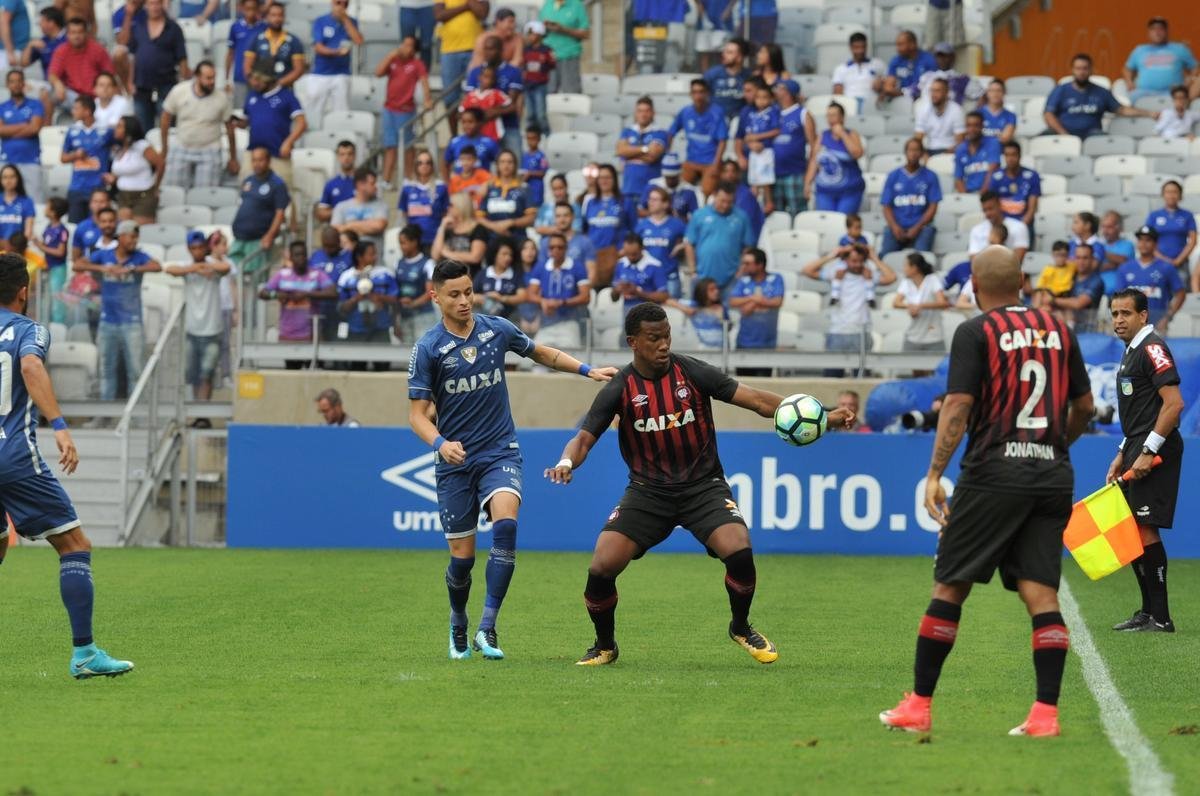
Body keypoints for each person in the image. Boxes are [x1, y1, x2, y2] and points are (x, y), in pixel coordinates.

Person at [546, 301, 855, 666]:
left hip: (703, 487)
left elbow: (756, 400)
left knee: (739, 548)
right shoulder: (620, 387)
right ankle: (605, 645)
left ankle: (740, 626)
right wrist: (566, 462)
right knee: (601, 567)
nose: (663, 345)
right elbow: (584, 438)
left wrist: (825, 416)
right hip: (648, 493)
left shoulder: (691, 372)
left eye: (667, 336)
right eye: (653, 338)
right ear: (633, 342)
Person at [880, 244, 1093, 737]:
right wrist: (1057, 442)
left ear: (975, 288)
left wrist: (936, 473)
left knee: (950, 585)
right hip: (1051, 474)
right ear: (1021, 282)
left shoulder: (975, 331)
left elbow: (957, 404)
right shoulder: (1062, 330)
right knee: (1041, 593)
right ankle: (1045, 715)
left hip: (994, 473)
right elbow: (1083, 405)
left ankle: (919, 704)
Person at [408, 258, 613, 660]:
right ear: (435, 297)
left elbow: (542, 353)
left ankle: (488, 627)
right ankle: (458, 620)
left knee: (505, 527)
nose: (465, 300)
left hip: (500, 450)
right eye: (455, 294)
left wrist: (587, 371)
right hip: (455, 462)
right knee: (462, 562)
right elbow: (417, 415)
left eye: (469, 291)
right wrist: (440, 444)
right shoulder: (428, 349)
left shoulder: (495, 330)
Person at [0, 253, 135, 679]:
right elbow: (30, 364)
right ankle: (85, 654)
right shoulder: (29, 329)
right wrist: (59, 426)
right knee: (74, 545)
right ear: (24, 291)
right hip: (12, 455)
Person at [1105, 288, 1186, 633]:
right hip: (1137, 446)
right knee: (1134, 529)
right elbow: (1141, 412)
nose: (1118, 320)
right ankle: (1147, 612)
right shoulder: (1130, 351)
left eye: (1125, 313)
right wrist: (1124, 452)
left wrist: (1149, 451)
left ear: (1143, 316)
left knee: (1145, 527)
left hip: (1157, 450)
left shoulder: (1152, 347)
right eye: (1114, 313)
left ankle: (1162, 617)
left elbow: (1174, 405)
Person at [76, 220, 161, 400]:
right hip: (108, 321)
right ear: (121, 237)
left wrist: (132, 269)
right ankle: (105, 415)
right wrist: (102, 268)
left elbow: (157, 266)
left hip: (132, 322)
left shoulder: (138, 257)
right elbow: (78, 265)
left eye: (136, 237)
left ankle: (136, 417)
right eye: (131, 236)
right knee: (106, 370)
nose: (134, 241)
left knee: (136, 370)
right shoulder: (104, 255)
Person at [164, 230, 230, 398]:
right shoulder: (187, 266)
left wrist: (205, 266)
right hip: (191, 330)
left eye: (201, 247)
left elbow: (226, 267)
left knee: (206, 373)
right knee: (192, 375)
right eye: (194, 248)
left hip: (212, 330)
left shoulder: (213, 265)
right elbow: (169, 269)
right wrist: (194, 269)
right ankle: (195, 411)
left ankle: (203, 412)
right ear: (189, 249)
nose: (198, 251)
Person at [803, 243, 896, 359]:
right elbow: (807, 270)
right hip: (838, 332)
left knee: (861, 374)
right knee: (832, 375)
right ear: (846, 260)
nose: (857, 265)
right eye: (854, 261)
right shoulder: (835, 273)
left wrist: (874, 258)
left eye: (861, 261)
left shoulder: (869, 275)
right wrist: (832, 255)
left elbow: (891, 277)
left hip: (861, 333)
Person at [160, 60, 235, 190]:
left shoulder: (221, 98)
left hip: (209, 150)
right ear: (197, 76)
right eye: (208, 78)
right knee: (174, 191)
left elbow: (230, 129)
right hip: (182, 147)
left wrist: (232, 158)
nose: (212, 82)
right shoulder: (179, 91)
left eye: (214, 78)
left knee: (204, 195)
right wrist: (164, 149)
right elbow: (165, 119)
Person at [259, 239, 335, 367]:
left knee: (315, 373)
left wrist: (307, 294)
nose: (301, 258)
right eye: (297, 255)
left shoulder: (316, 274)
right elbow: (263, 293)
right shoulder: (283, 275)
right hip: (289, 334)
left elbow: (333, 293)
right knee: (292, 371)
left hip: (311, 336)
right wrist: (277, 294)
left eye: (303, 254)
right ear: (291, 257)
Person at [1044, 53, 1153, 139]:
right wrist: (1064, 135)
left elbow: (1121, 110)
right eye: (1078, 68)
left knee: (1105, 141)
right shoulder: (1061, 90)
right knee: (1044, 137)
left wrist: (1149, 113)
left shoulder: (1101, 92)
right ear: (1072, 70)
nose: (1081, 72)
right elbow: (1049, 114)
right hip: (1064, 134)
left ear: (1091, 70)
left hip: (1092, 135)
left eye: (1085, 68)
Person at [119, 0, 189, 133]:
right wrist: (130, 81)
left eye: (158, 3)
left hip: (166, 85)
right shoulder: (138, 26)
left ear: (163, 4)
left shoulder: (174, 28)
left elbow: (182, 59)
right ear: (146, 6)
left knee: (168, 128)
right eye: (151, 4)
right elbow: (131, 54)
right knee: (142, 129)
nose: (155, 7)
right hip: (141, 86)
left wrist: (183, 85)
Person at [235, 66, 306, 183]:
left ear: (269, 80)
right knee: (246, 189)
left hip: (278, 153)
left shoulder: (286, 96)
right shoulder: (252, 95)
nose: (253, 83)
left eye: (258, 80)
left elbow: (302, 123)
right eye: (252, 79)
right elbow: (248, 121)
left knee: (283, 192)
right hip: (254, 153)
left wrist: (288, 142)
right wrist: (238, 123)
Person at [377, 34, 432, 187]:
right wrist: (389, 56)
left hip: (407, 110)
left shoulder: (417, 64)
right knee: (390, 146)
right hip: (389, 109)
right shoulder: (393, 61)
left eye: (409, 45)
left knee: (408, 147)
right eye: (403, 44)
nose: (404, 47)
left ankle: (408, 178)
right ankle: (386, 179)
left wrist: (427, 99)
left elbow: (424, 81)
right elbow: (378, 72)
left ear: (414, 50)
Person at [335, 240, 396, 369]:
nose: (375, 257)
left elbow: (395, 300)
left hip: (381, 329)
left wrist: (378, 298)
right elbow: (341, 308)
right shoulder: (346, 277)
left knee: (383, 368)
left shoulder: (385, 273)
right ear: (359, 256)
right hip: (356, 331)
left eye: (375, 253)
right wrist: (356, 299)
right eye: (371, 254)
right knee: (357, 368)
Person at [684, 182, 754, 293]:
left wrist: (740, 270)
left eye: (729, 202)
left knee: (729, 310)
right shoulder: (699, 215)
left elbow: (748, 246)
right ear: (714, 196)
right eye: (722, 201)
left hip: (731, 279)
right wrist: (693, 271)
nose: (725, 205)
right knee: (700, 310)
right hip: (702, 278)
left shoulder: (742, 217)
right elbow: (689, 244)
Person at [527, 231, 590, 348]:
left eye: (560, 247)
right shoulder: (541, 266)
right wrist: (543, 301)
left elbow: (586, 297)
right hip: (546, 324)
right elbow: (530, 294)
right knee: (536, 362)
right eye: (552, 247)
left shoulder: (577, 267)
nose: (555, 250)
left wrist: (561, 303)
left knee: (570, 361)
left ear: (566, 248)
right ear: (548, 249)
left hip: (570, 323)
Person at [230, 147, 288, 271]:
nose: (257, 164)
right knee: (235, 276)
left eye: (260, 160)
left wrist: (269, 236)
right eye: (254, 160)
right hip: (239, 238)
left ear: (268, 161)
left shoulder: (277, 184)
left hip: (257, 240)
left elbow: (280, 213)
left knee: (254, 279)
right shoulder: (248, 180)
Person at [879, 138, 941, 255]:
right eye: (910, 150)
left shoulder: (931, 176)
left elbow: (933, 207)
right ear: (905, 152)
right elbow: (886, 206)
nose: (913, 153)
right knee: (885, 255)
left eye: (917, 150)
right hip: (897, 227)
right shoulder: (893, 176)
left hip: (922, 227)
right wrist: (894, 226)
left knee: (921, 258)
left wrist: (917, 227)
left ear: (922, 153)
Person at [1118, 226, 1185, 331]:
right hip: (1130, 325)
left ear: (1156, 244)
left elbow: (1180, 294)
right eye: (1140, 240)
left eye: (1148, 240)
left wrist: (1167, 317)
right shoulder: (1125, 268)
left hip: (1157, 325)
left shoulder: (1166, 267)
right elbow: (1119, 298)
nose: (1143, 244)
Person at [464, 34, 523, 155]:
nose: (487, 52)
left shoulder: (513, 72)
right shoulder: (475, 73)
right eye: (485, 49)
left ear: (501, 50)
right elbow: (469, 100)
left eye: (491, 49)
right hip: (481, 130)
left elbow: (511, 104)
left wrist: (491, 112)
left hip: (509, 126)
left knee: (514, 163)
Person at [668, 79, 728, 197]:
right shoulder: (686, 112)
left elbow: (722, 141)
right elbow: (671, 132)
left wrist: (716, 164)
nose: (698, 96)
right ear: (690, 94)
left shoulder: (717, 112)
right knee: (679, 191)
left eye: (701, 92)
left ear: (707, 94)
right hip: (691, 160)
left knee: (706, 193)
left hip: (710, 162)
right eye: (694, 92)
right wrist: (668, 154)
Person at [434, 0, 487, 132]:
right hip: (449, 50)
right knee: (450, 97)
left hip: (475, 50)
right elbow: (439, 15)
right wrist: (467, 6)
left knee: (477, 94)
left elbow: (482, 13)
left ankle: (476, 133)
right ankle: (454, 135)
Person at [804, 100, 864, 214]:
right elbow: (814, 161)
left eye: (833, 115)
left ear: (842, 117)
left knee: (842, 221)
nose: (830, 119)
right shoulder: (822, 135)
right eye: (828, 115)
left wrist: (842, 134)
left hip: (849, 191)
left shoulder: (851, 134)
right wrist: (807, 183)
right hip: (825, 191)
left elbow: (857, 153)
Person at [61, 95, 114, 223]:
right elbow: (63, 158)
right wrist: (75, 155)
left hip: (98, 187)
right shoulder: (72, 131)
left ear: (87, 111)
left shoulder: (106, 130)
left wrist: (112, 174)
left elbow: (117, 152)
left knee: (98, 224)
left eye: (76, 108)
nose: (73, 111)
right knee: (74, 226)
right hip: (77, 187)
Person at [306, 0, 362, 118]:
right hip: (320, 73)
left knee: (341, 112)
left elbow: (358, 41)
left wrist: (346, 20)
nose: (341, 7)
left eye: (345, 4)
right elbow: (318, 47)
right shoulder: (320, 21)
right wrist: (336, 52)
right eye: (338, 3)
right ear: (332, 3)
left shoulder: (352, 22)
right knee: (313, 111)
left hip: (341, 73)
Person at [105, 115, 163, 225]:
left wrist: (156, 186)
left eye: (119, 126)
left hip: (143, 196)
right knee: (125, 230)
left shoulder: (142, 146)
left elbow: (160, 164)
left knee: (140, 231)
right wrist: (112, 179)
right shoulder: (119, 148)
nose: (115, 129)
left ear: (129, 129)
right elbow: (120, 171)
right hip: (123, 195)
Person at [582, 164, 633, 289]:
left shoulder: (625, 202)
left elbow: (633, 229)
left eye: (608, 177)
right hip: (594, 258)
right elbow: (584, 230)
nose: (604, 181)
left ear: (615, 179)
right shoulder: (590, 202)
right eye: (601, 177)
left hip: (617, 256)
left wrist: (624, 250)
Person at [728, 246, 784, 359]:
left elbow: (777, 302)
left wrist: (750, 304)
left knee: (764, 376)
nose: (744, 267)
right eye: (743, 263)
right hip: (744, 341)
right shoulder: (743, 281)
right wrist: (754, 298)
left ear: (760, 265)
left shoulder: (776, 279)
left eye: (748, 263)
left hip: (767, 343)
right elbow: (732, 301)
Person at [1123, 17, 1197, 103]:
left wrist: (1190, 80)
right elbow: (1127, 69)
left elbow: (1195, 67)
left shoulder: (1180, 49)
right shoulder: (1139, 50)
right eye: (1153, 29)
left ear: (1166, 32)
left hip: (1172, 94)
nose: (1157, 32)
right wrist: (1129, 82)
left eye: (1160, 29)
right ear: (1148, 33)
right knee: (1130, 99)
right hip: (1143, 93)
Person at [771, 79, 815, 218]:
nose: (776, 90)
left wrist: (808, 177)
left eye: (780, 87)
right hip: (772, 173)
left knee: (798, 213)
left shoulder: (803, 113)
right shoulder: (772, 112)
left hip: (795, 173)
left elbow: (813, 145)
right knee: (776, 215)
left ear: (788, 92)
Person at [48, 17, 114, 107]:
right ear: (67, 34)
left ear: (86, 33)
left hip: (96, 97)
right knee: (48, 92)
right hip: (74, 97)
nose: (76, 36)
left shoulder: (98, 50)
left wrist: (101, 91)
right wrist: (58, 84)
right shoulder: (61, 51)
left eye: (80, 32)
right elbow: (52, 75)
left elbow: (109, 75)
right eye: (73, 33)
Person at [0, 71, 45, 203]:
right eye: (12, 81)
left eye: (19, 81)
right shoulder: (2, 107)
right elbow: (0, 130)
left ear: (23, 83)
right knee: (6, 201)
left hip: (31, 160)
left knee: (35, 201)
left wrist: (10, 132)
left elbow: (35, 128)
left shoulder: (35, 104)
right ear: (7, 85)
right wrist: (25, 125)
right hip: (8, 159)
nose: (16, 84)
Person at [636, 187, 686, 299]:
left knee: (671, 313)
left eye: (655, 200)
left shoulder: (676, 224)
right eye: (650, 199)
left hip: (669, 276)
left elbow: (692, 238)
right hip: (647, 277)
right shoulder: (641, 225)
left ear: (665, 204)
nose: (650, 202)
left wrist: (681, 246)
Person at [893, 252, 949, 352]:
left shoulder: (932, 279)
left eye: (906, 265)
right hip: (912, 336)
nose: (904, 268)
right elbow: (896, 303)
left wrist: (920, 306)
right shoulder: (906, 282)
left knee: (933, 367)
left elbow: (943, 303)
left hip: (934, 336)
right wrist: (911, 307)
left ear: (914, 267)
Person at [617, 96, 668, 205]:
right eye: (640, 111)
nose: (643, 114)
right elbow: (621, 151)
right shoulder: (627, 131)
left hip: (650, 191)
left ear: (653, 113)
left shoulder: (660, 132)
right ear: (635, 113)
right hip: (628, 189)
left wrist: (630, 154)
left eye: (647, 111)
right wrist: (645, 148)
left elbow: (653, 155)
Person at [242, 1, 305, 90]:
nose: (277, 19)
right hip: (260, 90)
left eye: (280, 15)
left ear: (284, 17)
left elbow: (299, 69)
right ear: (267, 17)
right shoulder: (256, 39)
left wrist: (278, 84)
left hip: (284, 90)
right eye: (273, 15)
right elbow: (247, 66)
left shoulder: (294, 41)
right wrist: (254, 82)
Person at [1046, 242, 1104, 333]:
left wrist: (1053, 300)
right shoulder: (1069, 276)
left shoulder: (1096, 281)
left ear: (1092, 259)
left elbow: (1078, 303)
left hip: (1087, 331)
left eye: (1085, 258)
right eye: (1078, 257)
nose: (1081, 261)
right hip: (1064, 327)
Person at [478, 150, 535, 243]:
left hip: (517, 240)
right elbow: (479, 217)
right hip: (491, 241)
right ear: (497, 165)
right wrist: (495, 227)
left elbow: (531, 218)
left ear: (515, 165)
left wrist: (511, 222)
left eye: (510, 162)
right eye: (502, 162)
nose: (506, 165)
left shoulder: (524, 188)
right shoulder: (489, 188)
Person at [397, 150, 449, 251]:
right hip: (414, 240)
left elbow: (445, 212)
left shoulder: (441, 187)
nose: (424, 166)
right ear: (415, 166)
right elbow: (405, 213)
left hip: (434, 238)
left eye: (427, 162)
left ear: (432, 166)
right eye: (420, 163)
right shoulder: (408, 188)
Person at [1145, 180, 1196, 280]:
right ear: (1163, 195)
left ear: (1180, 195)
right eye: (1168, 192)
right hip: (1157, 262)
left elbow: (1192, 240)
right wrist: (1163, 259)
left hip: (1180, 263)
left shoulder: (1187, 215)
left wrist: (1178, 260)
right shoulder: (1154, 216)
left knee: (1181, 291)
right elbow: (1147, 240)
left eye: (1175, 192)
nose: (1171, 195)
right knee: (1157, 291)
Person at [394, 225, 436, 342]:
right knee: (407, 355)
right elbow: (396, 293)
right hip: (405, 317)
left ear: (414, 242)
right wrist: (396, 321)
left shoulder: (427, 263)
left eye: (403, 243)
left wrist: (413, 303)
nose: (401, 247)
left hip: (423, 316)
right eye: (400, 243)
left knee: (423, 354)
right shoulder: (398, 264)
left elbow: (430, 292)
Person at [330, 166, 388, 250]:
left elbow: (379, 226)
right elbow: (335, 231)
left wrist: (349, 225)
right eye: (372, 183)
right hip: (347, 260)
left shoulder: (381, 205)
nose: (376, 187)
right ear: (360, 185)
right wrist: (367, 226)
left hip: (374, 260)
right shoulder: (341, 206)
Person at [989, 141, 1039, 233]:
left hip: (1024, 224)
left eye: (1013, 155)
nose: (1010, 159)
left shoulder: (1032, 176)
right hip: (1002, 226)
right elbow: (993, 205)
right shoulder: (996, 177)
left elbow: (1032, 209)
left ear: (1020, 156)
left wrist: (1019, 227)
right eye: (1007, 155)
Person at [471, 236, 525, 321]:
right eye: (504, 254)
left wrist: (501, 298)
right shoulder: (483, 273)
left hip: (510, 320)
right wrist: (483, 298)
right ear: (494, 254)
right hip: (485, 320)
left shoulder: (515, 275)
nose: (508, 258)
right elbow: (469, 295)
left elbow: (522, 297)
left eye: (510, 255)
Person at [611, 233, 666, 314]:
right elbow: (614, 298)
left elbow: (663, 296)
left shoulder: (655, 266)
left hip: (649, 314)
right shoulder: (621, 264)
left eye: (634, 254)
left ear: (642, 248)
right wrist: (617, 290)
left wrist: (638, 293)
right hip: (628, 314)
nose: (630, 257)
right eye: (627, 253)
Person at [539, 0, 587, 94]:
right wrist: (545, 27)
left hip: (569, 56)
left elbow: (586, 34)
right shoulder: (547, 4)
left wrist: (563, 29)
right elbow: (539, 30)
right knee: (548, 95)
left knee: (571, 94)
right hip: (549, 58)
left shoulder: (577, 5)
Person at [35, 197, 70, 324]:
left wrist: (41, 246)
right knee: (47, 298)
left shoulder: (62, 231)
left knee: (57, 299)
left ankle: (58, 325)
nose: (44, 209)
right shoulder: (48, 227)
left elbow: (60, 252)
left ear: (53, 212)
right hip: (49, 267)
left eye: (47, 206)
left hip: (58, 269)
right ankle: (45, 324)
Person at [432, 192, 488, 271]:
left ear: (461, 206)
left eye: (451, 205)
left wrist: (446, 252)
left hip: (469, 276)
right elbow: (435, 255)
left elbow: (475, 257)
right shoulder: (447, 228)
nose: (448, 208)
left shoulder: (478, 229)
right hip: (448, 277)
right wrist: (442, 227)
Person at [459, 64, 513, 144]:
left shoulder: (496, 94)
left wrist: (496, 111)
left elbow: (511, 106)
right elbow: (461, 111)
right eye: (486, 76)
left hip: (492, 135)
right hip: (474, 136)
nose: (488, 80)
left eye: (491, 78)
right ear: (479, 77)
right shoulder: (471, 95)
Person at [968, 190, 1029, 261]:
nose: (988, 213)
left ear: (999, 205)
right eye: (984, 210)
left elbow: (1018, 260)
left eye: (990, 208)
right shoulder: (976, 230)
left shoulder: (1019, 227)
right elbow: (974, 260)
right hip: (983, 271)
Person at [225, 0, 265, 109]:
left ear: (258, 10)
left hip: (259, 78)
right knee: (240, 111)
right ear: (242, 8)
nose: (250, 12)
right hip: (240, 77)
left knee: (258, 110)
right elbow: (230, 54)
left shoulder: (264, 28)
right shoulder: (235, 27)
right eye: (248, 9)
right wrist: (227, 79)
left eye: (253, 9)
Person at [832, 32, 884, 113]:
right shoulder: (841, 69)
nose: (860, 51)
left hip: (873, 107)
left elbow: (887, 87)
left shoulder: (878, 64)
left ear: (867, 46)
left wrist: (881, 86)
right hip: (849, 108)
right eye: (856, 47)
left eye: (863, 47)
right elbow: (838, 94)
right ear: (850, 47)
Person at [668, 277, 727, 349]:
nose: (716, 291)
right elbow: (668, 301)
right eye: (712, 289)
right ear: (703, 291)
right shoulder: (693, 305)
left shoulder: (722, 307)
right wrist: (686, 309)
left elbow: (728, 328)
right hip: (701, 348)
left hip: (720, 349)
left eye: (716, 288)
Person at [442, 107, 498, 181]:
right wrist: (448, 184)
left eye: (470, 122)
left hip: (482, 187)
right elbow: (445, 164)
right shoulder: (454, 142)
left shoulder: (489, 143)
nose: (466, 125)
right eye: (463, 122)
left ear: (479, 123)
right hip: (460, 188)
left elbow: (500, 163)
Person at [641, 153, 701, 223]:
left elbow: (695, 218)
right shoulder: (653, 185)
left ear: (679, 174)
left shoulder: (688, 190)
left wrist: (676, 218)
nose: (670, 180)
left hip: (678, 227)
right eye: (667, 177)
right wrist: (660, 213)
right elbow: (640, 211)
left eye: (673, 177)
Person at [914, 78, 964, 155]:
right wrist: (923, 154)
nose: (933, 94)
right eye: (932, 90)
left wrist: (945, 155)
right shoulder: (923, 109)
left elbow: (960, 141)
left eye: (937, 91)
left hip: (950, 151)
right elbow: (918, 138)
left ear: (946, 92)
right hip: (929, 150)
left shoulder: (956, 110)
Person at [953, 112, 1000, 193]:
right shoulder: (960, 149)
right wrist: (967, 198)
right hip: (968, 194)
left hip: (989, 194)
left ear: (982, 126)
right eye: (969, 125)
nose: (972, 129)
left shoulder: (993, 144)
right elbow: (958, 179)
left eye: (976, 125)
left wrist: (981, 197)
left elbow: (992, 171)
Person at [882, 30, 936, 101]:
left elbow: (933, 87)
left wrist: (905, 93)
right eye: (897, 45)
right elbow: (889, 87)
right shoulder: (896, 60)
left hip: (923, 101)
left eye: (900, 44)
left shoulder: (928, 60)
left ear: (912, 44)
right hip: (901, 102)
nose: (897, 49)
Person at [703, 38, 750, 119]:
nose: (724, 55)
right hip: (715, 121)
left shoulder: (749, 77)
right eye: (725, 51)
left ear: (740, 57)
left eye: (729, 52)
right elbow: (702, 97)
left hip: (739, 122)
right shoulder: (712, 74)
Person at [522, 20, 554, 133]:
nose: (530, 37)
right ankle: (531, 136)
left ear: (540, 34)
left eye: (532, 33)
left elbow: (552, 64)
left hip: (540, 85)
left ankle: (547, 135)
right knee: (530, 115)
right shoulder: (525, 50)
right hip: (528, 85)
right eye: (529, 34)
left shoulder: (546, 50)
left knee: (541, 114)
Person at [314, 140, 356, 225]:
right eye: (342, 154)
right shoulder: (331, 184)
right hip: (337, 229)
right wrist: (341, 211)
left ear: (354, 156)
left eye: (349, 154)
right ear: (337, 157)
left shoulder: (363, 181)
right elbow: (322, 213)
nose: (346, 158)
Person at [26, 6, 66, 81]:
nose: (39, 25)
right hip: (48, 85)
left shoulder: (69, 39)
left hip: (66, 85)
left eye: (41, 21)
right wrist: (29, 45)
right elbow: (24, 63)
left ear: (51, 23)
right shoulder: (42, 41)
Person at [0, 164, 34, 242]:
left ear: (18, 179)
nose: (8, 181)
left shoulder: (27, 201)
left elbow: (28, 233)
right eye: (5, 177)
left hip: (17, 250)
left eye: (12, 177)